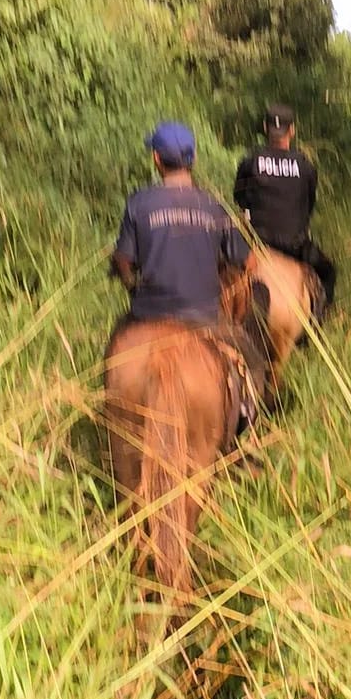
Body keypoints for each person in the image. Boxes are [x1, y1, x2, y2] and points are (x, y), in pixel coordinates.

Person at [110, 121, 266, 459]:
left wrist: (131, 284)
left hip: (147, 315)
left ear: (156, 159)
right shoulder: (215, 207)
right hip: (204, 317)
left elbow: (123, 260)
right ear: (192, 160)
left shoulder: (139, 204)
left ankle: (111, 434)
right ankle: (246, 444)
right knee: (254, 365)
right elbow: (249, 263)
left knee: (114, 354)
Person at [233, 103, 337, 310]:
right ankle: (316, 323)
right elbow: (308, 206)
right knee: (328, 272)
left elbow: (239, 199)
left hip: (256, 242)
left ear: (265, 127)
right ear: (292, 130)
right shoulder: (305, 166)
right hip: (294, 247)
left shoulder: (250, 161)